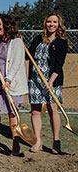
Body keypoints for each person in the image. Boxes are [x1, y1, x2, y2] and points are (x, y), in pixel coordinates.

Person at [0, 14, 28, 155]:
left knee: (12, 112)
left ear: (7, 25)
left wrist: (8, 80)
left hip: (11, 82)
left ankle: (15, 143)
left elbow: (16, 63)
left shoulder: (17, 42)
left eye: (0, 24)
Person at [27, 12, 69, 154]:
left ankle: (56, 141)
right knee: (35, 110)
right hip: (35, 79)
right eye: (49, 22)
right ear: (45, 23)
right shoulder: (38, 39)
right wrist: (20, 42)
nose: (51, 24)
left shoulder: (61, 42)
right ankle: (38, 140)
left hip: (52, 80)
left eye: (55, 22)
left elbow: (59, 65)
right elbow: (28, 55)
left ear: (59, 25)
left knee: (52, 109)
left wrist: (51, 81)